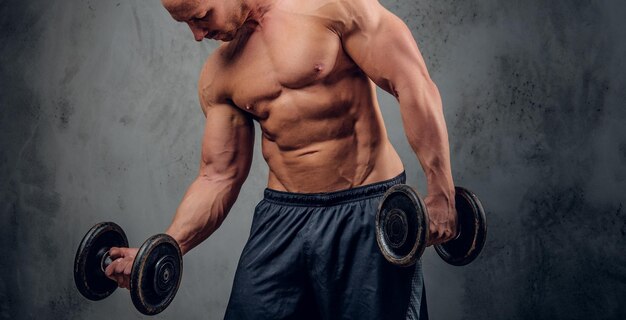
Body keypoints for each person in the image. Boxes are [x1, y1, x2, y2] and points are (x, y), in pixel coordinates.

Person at [105, 0, 457, 318]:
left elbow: (411, 83)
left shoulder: (332, 8)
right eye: (186, 25)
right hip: (282, 219)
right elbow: (218, 176)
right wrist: (165, 246)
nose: (197, 35)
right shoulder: (218, 74)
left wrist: (441, 195)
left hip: (366, 211)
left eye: (200, 17)